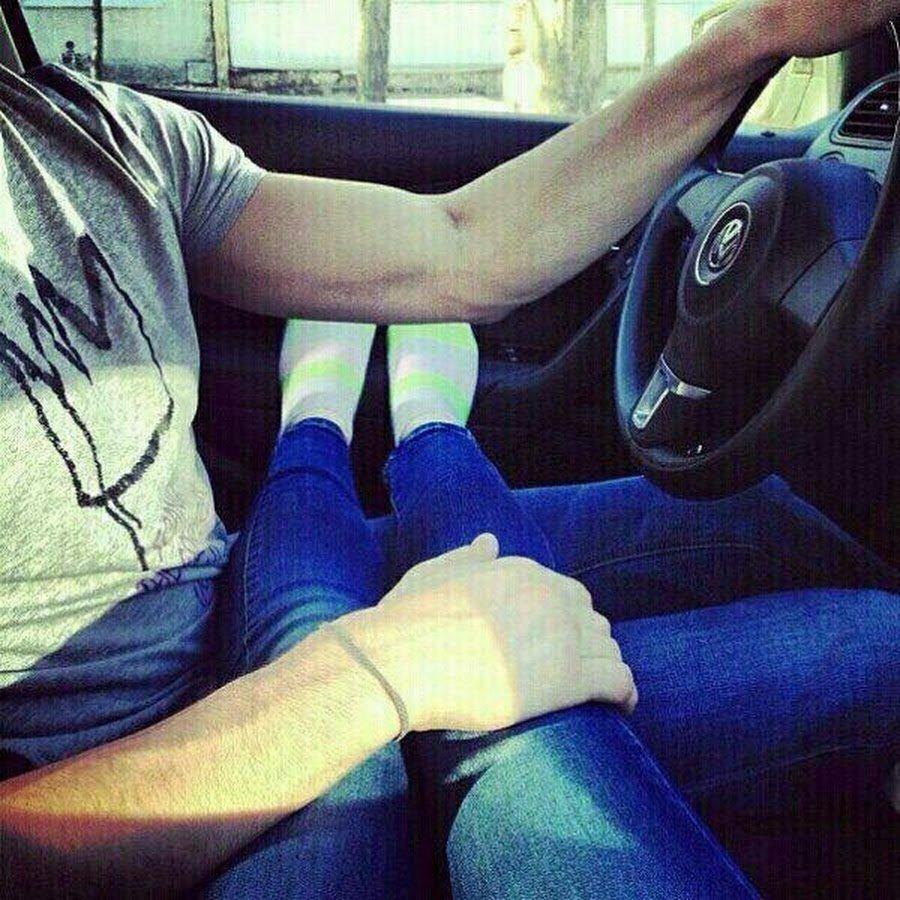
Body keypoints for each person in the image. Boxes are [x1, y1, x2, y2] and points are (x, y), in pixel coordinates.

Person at [1, 0, 898, 896]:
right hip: (139, 792)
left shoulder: (93, 132)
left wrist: (756, 35)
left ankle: (328, 420)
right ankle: (418, 424)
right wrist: (380, 674)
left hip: (233, 595)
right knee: (878, 648)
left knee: (768, 520)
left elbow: (456, 247)